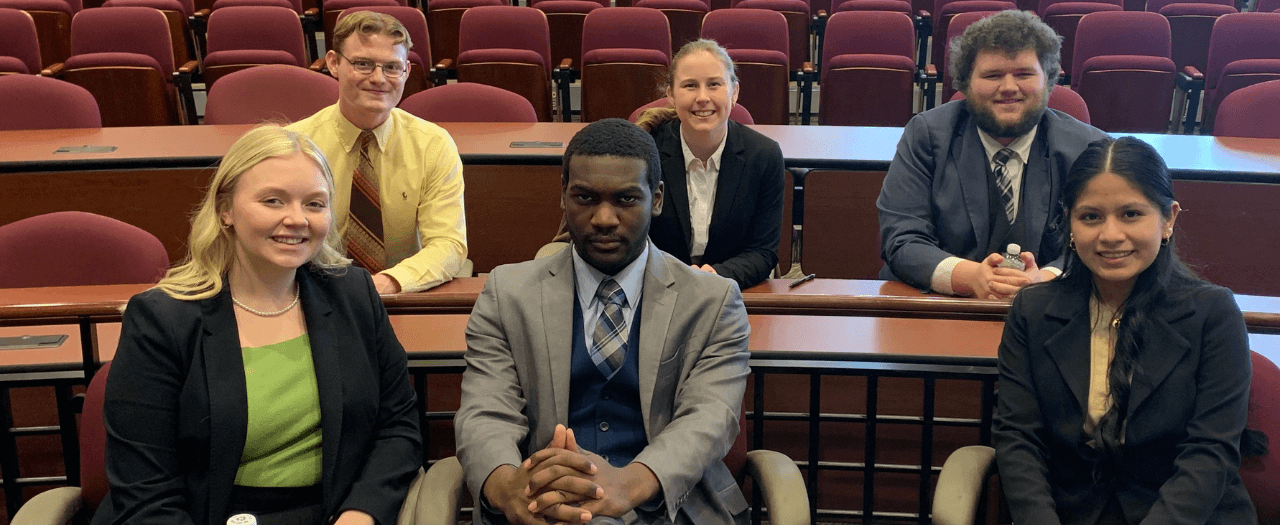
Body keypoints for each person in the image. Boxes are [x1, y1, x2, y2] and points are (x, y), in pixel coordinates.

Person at [93, 126, 421, 525]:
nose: (297, 219)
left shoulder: (353, 295)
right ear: (225, 209)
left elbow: (398, 428)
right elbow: (145, 491)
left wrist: (361, 513)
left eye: (315, 204)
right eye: (272, 200)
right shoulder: (162, 319)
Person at [455, 119, 751, 525]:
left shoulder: (713, 301)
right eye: (586, 198)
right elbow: (485, 413)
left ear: (657, 199)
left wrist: (628, 484)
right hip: (542, 505)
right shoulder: (507, 293)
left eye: (627, 199)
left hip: (666, 508)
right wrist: (510, 490)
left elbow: (708, 420)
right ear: (563, 197)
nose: (604, 218)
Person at [993, 136, 1257, 525]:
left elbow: (1209, 452)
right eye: (1090, 216)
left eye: (1132, 214)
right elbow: (1019, 442)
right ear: (1068, 222)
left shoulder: (1213, 313)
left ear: (1168, 219)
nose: (1110, 235)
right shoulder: (1033, 311)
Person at [877, 9, 1107, 299]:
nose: (1009, 87)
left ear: (1048, 81)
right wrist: (973, 278)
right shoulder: (926, 135)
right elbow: (902, 239)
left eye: (1024, 74)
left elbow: (1103, 241)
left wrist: (1047, 280)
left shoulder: (1089, 147)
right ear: (965, 83)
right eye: (992, 75)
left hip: (1054, 310)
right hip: (940, 306)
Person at [289, 11, 467, 294]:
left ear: (407, 71)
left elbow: (449, 245)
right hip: (309, 293)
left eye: (392, 67)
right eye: (363, 64)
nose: (378, 78)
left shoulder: (433, 144)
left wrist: (377, 287)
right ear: (333, 63)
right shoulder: (294, 144)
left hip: (398, 295)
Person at [634, 39, 785, 290]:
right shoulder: (645, 152)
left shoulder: (764, 156)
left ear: (734, 92)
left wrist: (715, 276)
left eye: (714, 84)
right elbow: (633, 242)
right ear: (670, 95)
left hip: (731, 290)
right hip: (655, 289)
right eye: (690, 86)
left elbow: (763, 252)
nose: (702, 97)